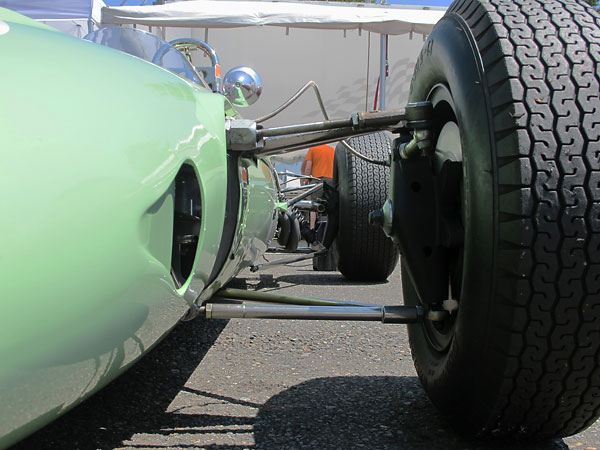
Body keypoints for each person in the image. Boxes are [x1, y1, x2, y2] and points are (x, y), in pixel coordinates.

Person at [300, 144, 335, 229]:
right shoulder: (332, 150)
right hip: (330, 180)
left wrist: (306, 180)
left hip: (317, 179)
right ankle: (328, 227)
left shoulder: (313, 149)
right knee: (329, 204)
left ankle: (312, 228)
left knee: (314, 204)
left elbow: (308, 167)